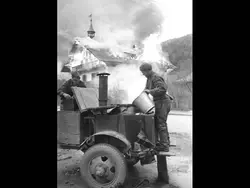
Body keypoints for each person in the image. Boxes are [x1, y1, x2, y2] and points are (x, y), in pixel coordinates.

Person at [139, 62, 172, 152]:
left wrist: (150, 91)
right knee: (160, 123)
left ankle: (164, 146)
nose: (143, 74)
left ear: (148, 70)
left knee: (161, 124)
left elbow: (163, 89)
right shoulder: (149, 78)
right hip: (159, 102)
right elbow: (146, 89)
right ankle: (165, 142)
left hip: (163, 102)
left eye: (143, 72)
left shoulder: (155, 77)